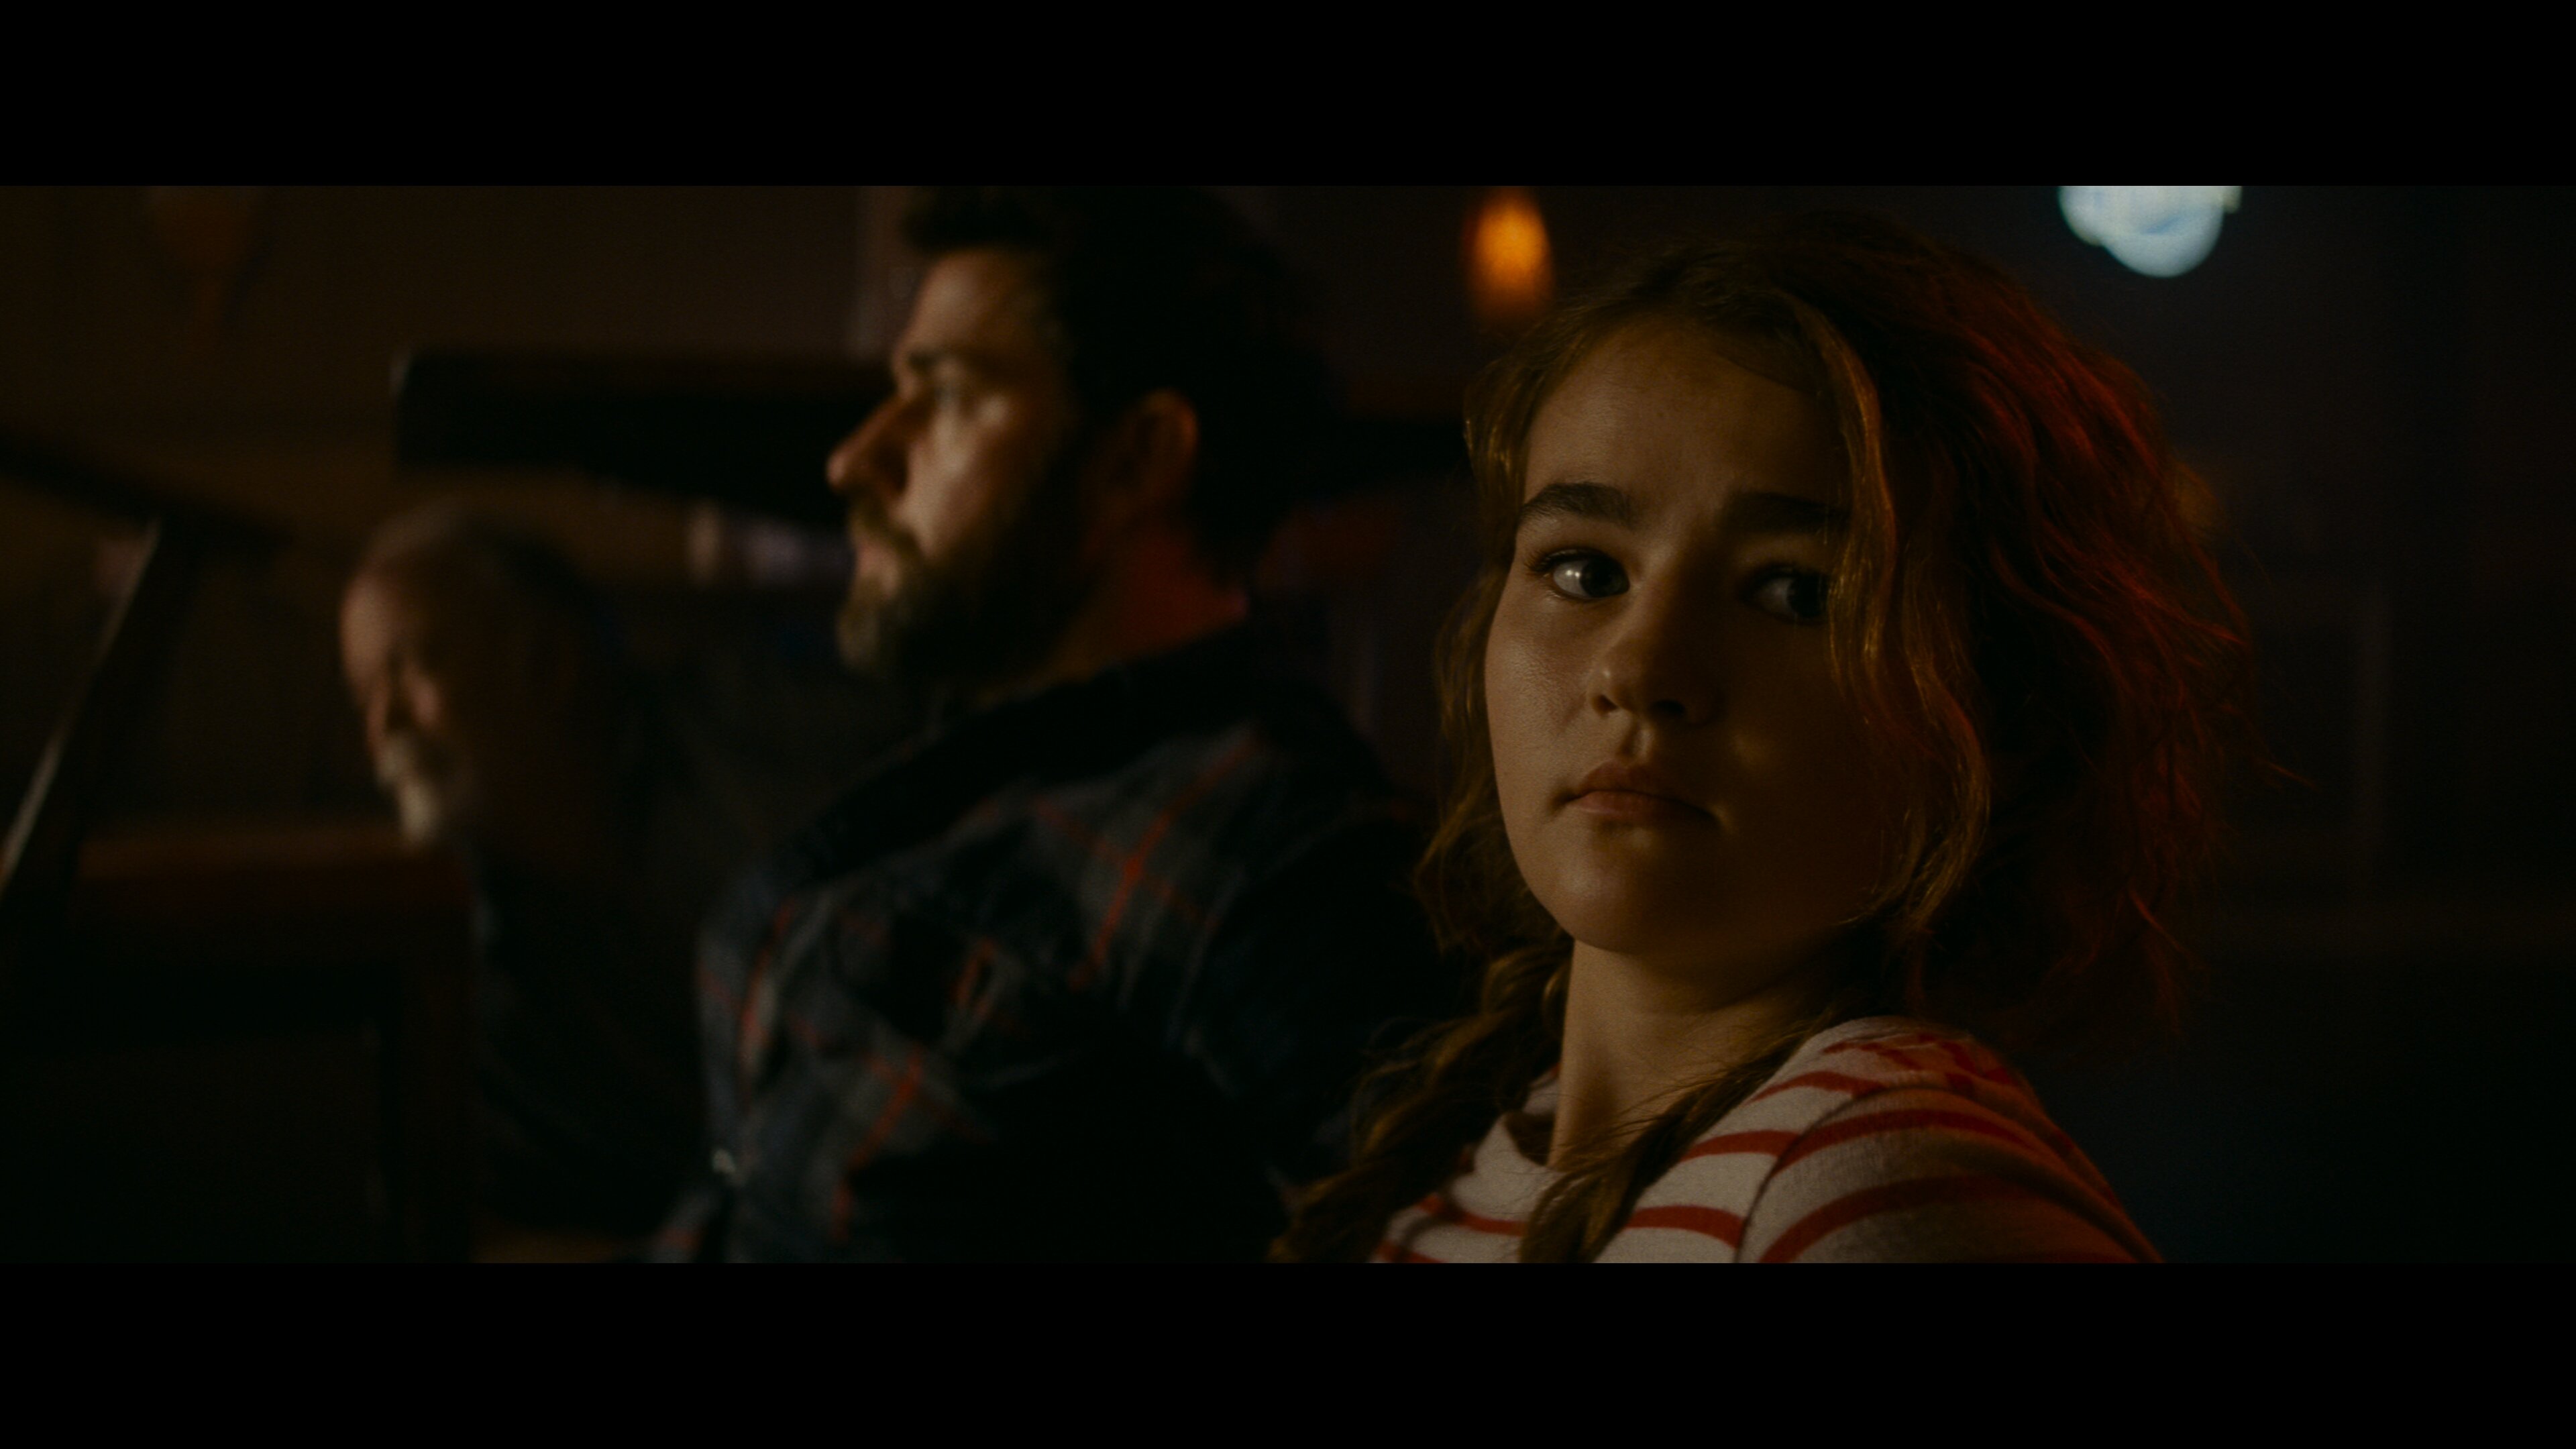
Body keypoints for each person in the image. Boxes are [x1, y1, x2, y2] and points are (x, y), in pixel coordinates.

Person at [1276, 214, 2259, 1263]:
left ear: (2001, 708)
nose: (1639, 671)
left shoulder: (1874, 1193)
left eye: (1795, 593)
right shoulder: (1483, 1154)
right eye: (1584, 571)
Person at [655, 189, 1453, 1261]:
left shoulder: (1284, 863)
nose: (856, 458)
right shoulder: (986, 757)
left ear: (1135, 461)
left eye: (947, 395)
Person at [339, 506, 722, 1244]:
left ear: (549, 661)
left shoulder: (752, 756)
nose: (385, 728)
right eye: (364, 696)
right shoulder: (465, 968)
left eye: (414, 668)